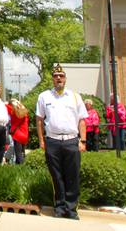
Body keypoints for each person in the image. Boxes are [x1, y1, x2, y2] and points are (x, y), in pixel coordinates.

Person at [36, 64, 87, 220]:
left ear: (65, 78)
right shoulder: (44, 96)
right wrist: (41, 141)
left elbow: (82, 121)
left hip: (71, 140)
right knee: (56, 176)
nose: (59, 78)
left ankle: (71, 210)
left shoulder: (75, 96)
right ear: (52, 78)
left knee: (72, 176)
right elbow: (39, 120)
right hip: (53, 141)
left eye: (61, 76)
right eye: (56, 76)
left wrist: (83, 140)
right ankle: (59, 208)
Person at [6, 98, 29, 164]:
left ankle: (21, 169)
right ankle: (19, 166)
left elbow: (4, 106)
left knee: (18, 154)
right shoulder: (24, 113)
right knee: (22, 153)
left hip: (17, 135)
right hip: (25, 135)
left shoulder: (13, 112)